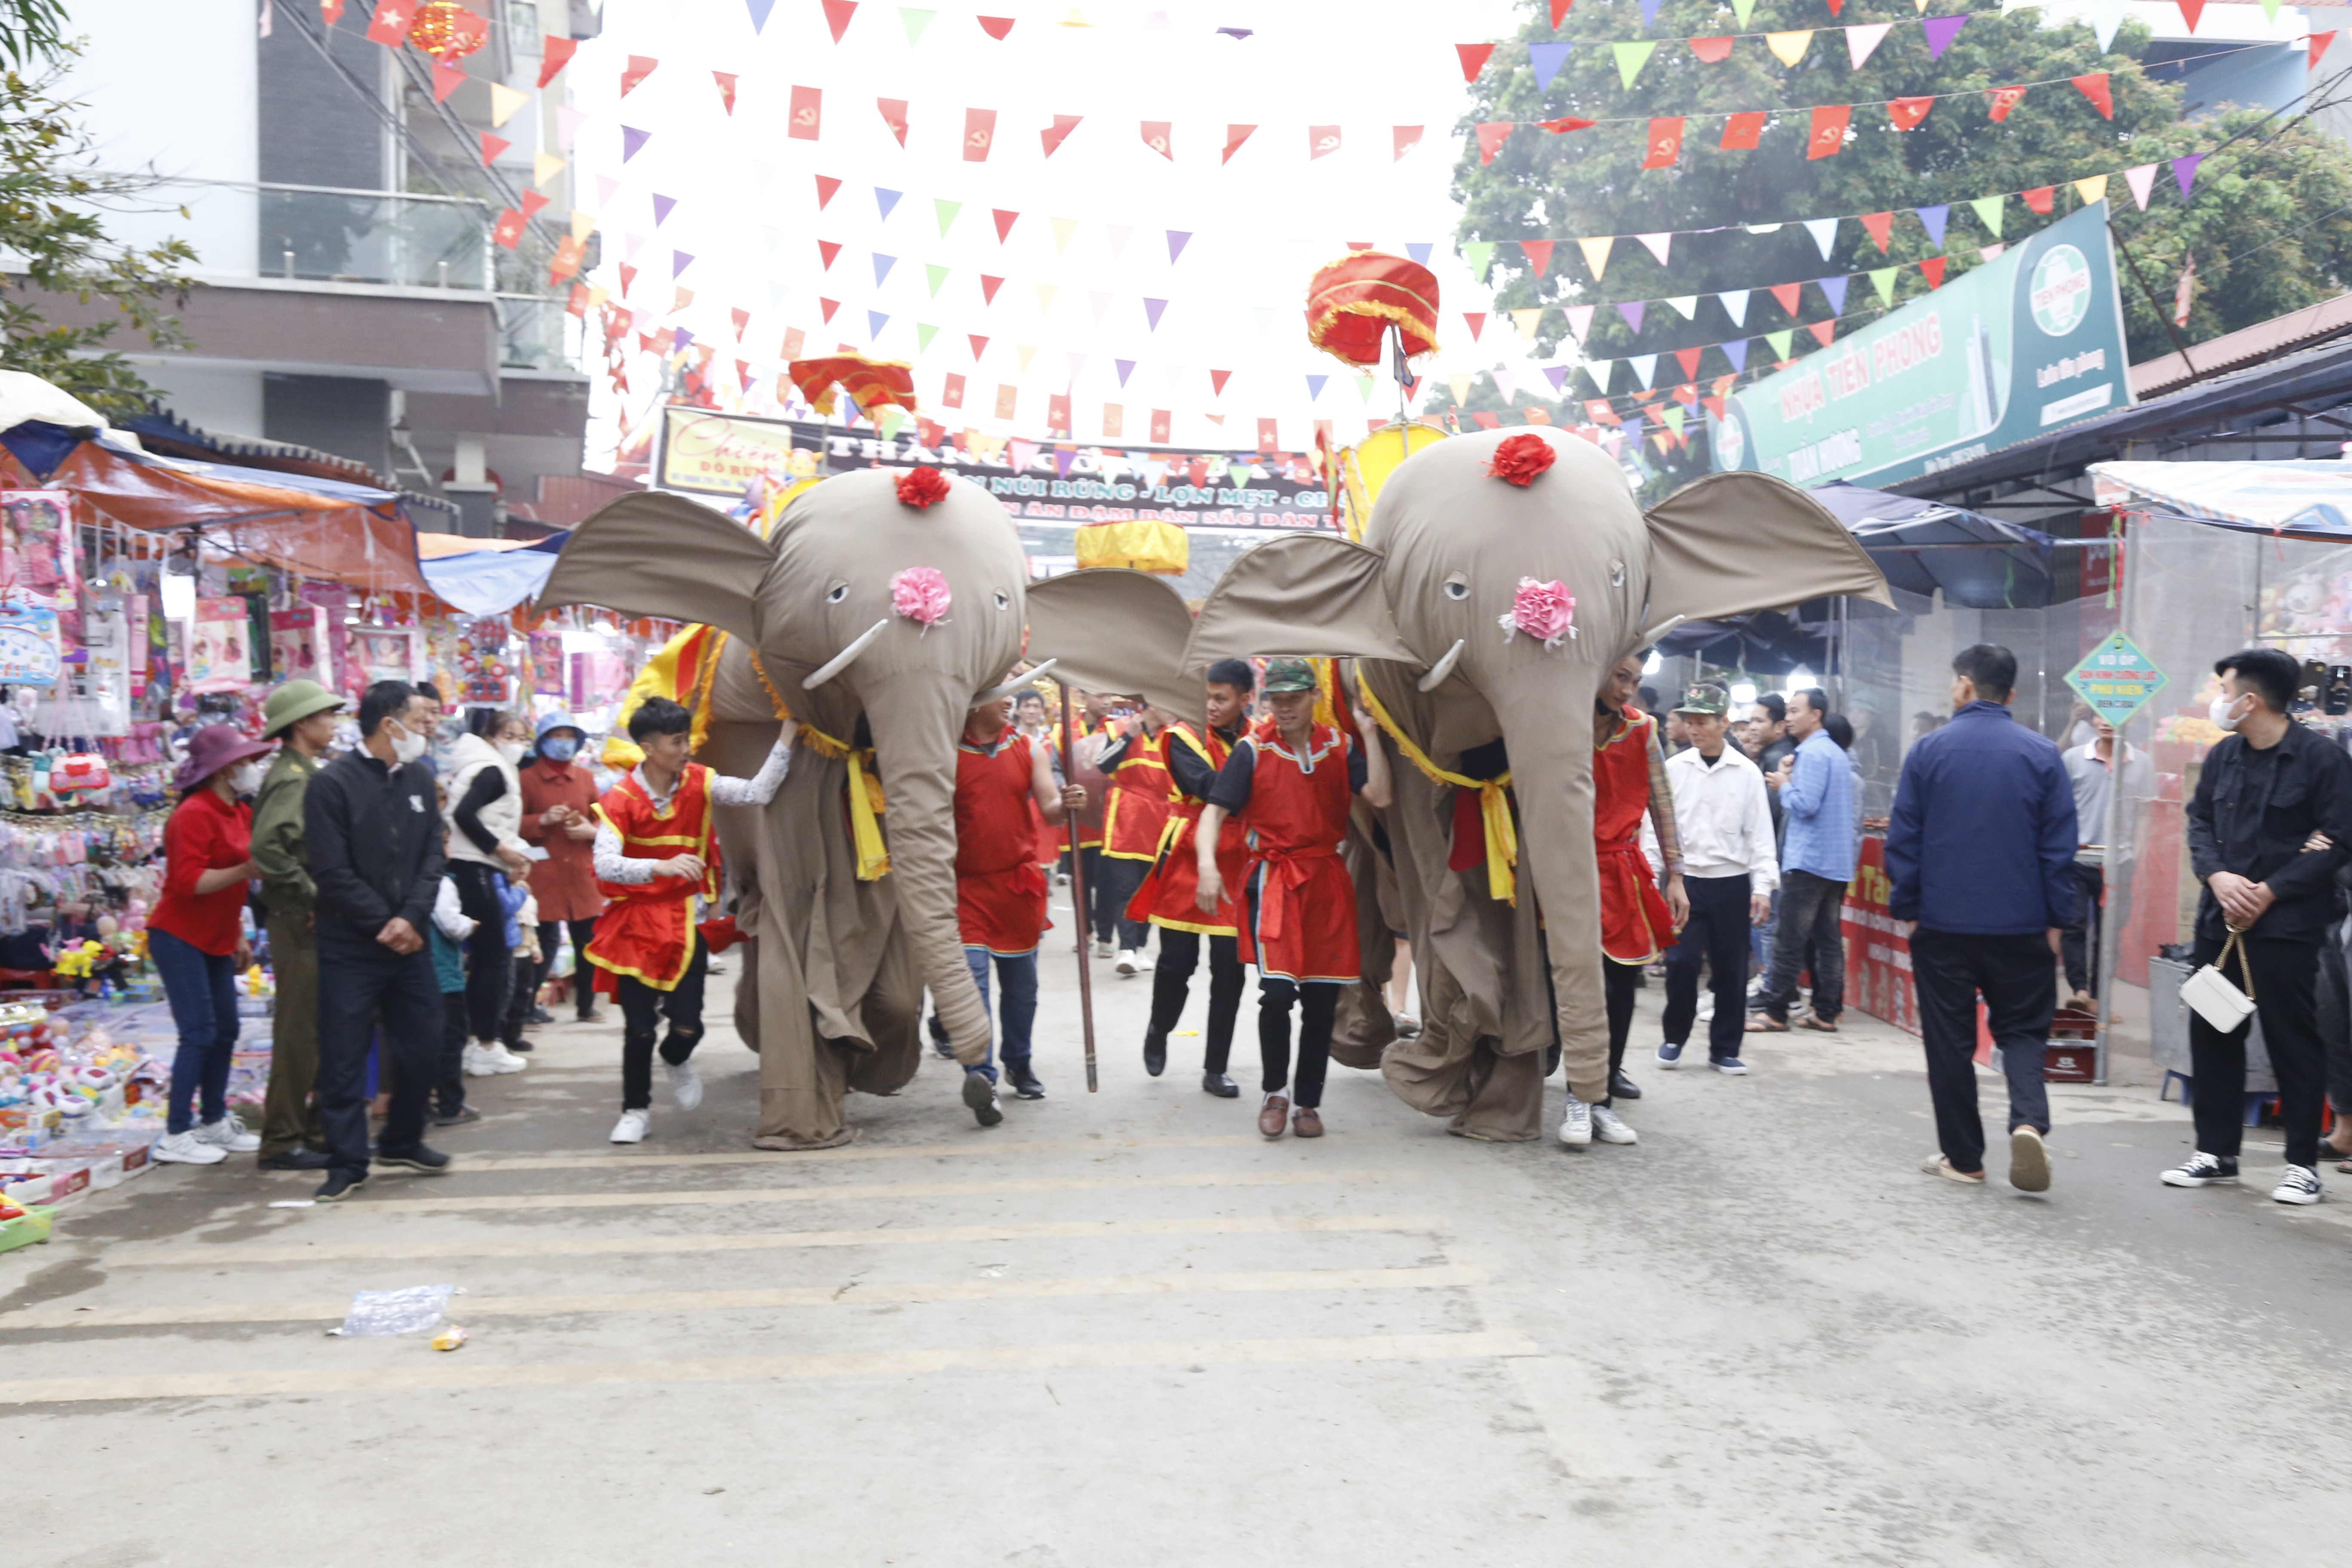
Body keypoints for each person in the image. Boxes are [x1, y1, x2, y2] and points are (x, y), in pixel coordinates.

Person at [2163, 647, 2352, 1204]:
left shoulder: (2322, 762)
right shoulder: (2223, 757)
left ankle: (2300, 1165)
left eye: (2223, 690)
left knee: (2293, 1042)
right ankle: (2216, 1152)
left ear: (2250, 700)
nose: (2217, 702)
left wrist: (2270, 890)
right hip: (2220, 926)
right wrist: (2218, 877)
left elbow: (2339, 839)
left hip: (2287, 929)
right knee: (2214, 1033)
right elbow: (2199, 822)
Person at [1884, 644, 2076, 1192]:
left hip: (1942, 925)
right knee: (2022, 1031)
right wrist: (2057, 923)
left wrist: (1911, 913)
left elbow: (1906, 842)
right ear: (2010, 695)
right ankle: (2028, 1121)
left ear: (1964, 686)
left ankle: (1964, 1159)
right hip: (2022, 924)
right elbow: (2058, 850)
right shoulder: (2043, 755)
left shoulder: (1928, 752)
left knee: (1949, 1041)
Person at [1196, 658, 1392, 1139]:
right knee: (1278, 993)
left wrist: (1368, 732)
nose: (1283, 708)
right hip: (1276, 879)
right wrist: (1205, 868)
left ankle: (1308, 1101)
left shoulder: (1338, 746)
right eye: (1276, 700)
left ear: (1313, 698)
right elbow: (1214, 813)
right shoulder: (1253, 749)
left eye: (1293, 699)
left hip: (1327, 879)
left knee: (1323, 1001)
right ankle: (1274, 1093)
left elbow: (1381, 796)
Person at [589, 696, 795, 1144]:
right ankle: (635, 1110)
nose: (686, 749)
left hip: (686, 926)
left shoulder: (700, 782)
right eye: (677, 741)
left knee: (688, 1025)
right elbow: (604, 863)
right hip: (635, 928)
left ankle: (677, 1057)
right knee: (639, 1028)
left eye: (687, 740)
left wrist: (788, 734)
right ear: (648, 747)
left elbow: (757, 792)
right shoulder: (621, 798)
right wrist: (655, 868)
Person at [305, 680, 456, 1201]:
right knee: (345, 1058)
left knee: (425, 1045)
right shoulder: (332, 785)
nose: (427, 728)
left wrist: (411, 919)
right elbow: (330, 870)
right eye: (418, 720)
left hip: (410, 943)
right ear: (388, 725)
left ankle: (402, 1139)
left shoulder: (418, 777)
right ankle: (347, 1162)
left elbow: (434, 857)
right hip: (350, 945)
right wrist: (381, 924)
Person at [953, 688, 1088, 1118]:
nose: (1008, 702)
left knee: (1021, 989)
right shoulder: (943, 750)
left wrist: (1064, 802)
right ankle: (981, 1075)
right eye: (998, 696)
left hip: (1018, 887)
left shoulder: (1029, 747)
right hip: (965, 889)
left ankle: (1019, 1062)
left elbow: (1049, 808)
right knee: (973, 985)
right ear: (973, 702)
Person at [1572, 653, 1686, 1146]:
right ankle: (1579, 1089)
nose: (1628, 691)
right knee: (1572, 986)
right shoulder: (1564, 720)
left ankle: (1601, 1091)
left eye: (1636, 682)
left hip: (1621, 869)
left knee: (1620, 986)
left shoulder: (1643, 730)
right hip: (1567, 870)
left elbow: (1663, 806)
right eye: (1621, 678)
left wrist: (1676, 875)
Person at [149, 722, 275, 1167]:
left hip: (217, 936)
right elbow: (186, 883)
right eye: (244, 761)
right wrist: (245, 872)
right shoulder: (193, 814)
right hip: (178, 935)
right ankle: (175, 1132)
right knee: (198, 1033)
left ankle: (214, 1119)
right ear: (224, 770)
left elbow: (234, 879)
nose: (251, 768)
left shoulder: (239, 812)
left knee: (225, 1030)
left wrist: (237, 931)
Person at [1131, 658, 1256, 1095]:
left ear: (1246, 699)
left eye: (1222, 698)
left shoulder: (1258, 738)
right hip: (1189, 855)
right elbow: (1208, 786)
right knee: (1175, 964)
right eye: (1207, 696)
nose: (1212, 705)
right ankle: (1159, 1027)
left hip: (1240, 859)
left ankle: (1215, 1067)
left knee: (1231, 973)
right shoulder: (1180, 736)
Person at [1651, 684, 1776, 1075]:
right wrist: (1650, 875)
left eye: (1702, 722)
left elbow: (1760, 834)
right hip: (1683, 883)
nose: (1694, 729)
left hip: (1732, 883)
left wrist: (1762, 887)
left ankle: (1724, 1048)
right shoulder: (1674, 770)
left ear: (1725, 722)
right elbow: (1656, 828)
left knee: (1731, 969)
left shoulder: (1747, 774)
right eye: (1690, 721)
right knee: (1682, 962)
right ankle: (1675, 1036)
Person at [248, 678, 343, 1172]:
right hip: (296, 919)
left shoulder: (303, 771)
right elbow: (266, 848)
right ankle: (282, 1140)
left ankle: (311, 1129)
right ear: (303, 723)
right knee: (298, 1034)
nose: (333, 723)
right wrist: (310, 894)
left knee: (317, 1030)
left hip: (304, 918)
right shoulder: (293, 777)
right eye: (326, 715)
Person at [1749, 687, 1855, 1037]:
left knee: (1789, 938)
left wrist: (1783, 785)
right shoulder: (1836, 753)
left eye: (1796, 711)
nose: (1789, 718)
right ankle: (1827, 1011)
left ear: (1816, 716)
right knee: (1827, 939)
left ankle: (1775, 1011)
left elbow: (1806, 805)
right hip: (1835, 863)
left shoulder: (1811, 753)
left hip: (1808, 861)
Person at [444, 710, 534, 1077]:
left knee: (485, 960)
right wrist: (500, 849)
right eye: (509, 735)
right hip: (474, 870)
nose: (516, 743)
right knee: (494, 959)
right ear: (491, 737)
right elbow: (464, 815)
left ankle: (475, 1043)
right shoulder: (491, 770)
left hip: (473, 868)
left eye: (522, 737)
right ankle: (486, 1045)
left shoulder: (480, 765)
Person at [518, 711, 606, 1024]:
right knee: (543, 942)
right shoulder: (526, 780)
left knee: (588, 940)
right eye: (558, 736)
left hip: (580, 871)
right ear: (544, 741)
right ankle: (526, 1008)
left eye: (570, 737)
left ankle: (587, 1005)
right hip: (544, 873)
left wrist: (591, 829)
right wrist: (540, 821)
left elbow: (601, 816)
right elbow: (512, 824)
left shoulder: (585, 778)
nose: (564, 743)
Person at [2058, 716, 2149, 1014]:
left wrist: (2136, 852)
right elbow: (2060, 808)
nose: (2107, 721)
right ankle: (2081, 992)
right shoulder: (2073, 758)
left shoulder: (2142, 762)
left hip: (2119, 862)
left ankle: (2099, 999)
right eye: (2100, 713)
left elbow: (2145, 815)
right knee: (2073, 927)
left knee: (2110, 934)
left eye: (2115, 714)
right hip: (2078, 859)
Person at [1092, 703, 1171, 977]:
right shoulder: (1120, 729)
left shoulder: (1172, 735)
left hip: (1159, 821)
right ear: (1152, 704)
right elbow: (1103, 764)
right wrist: (1129, 736)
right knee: (1126, 888)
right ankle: (1125, 949)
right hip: (1125, 818)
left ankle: (1139, 947)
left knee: (1150, 889)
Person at [425, 858, 481, 1126]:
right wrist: (469, 925)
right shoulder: (441, 882)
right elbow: (450, 923)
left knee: (419, 1040)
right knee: (451, 1039)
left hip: (417, 973)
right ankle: (451, 1104)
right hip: (443, 972)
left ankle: (422, 1104)